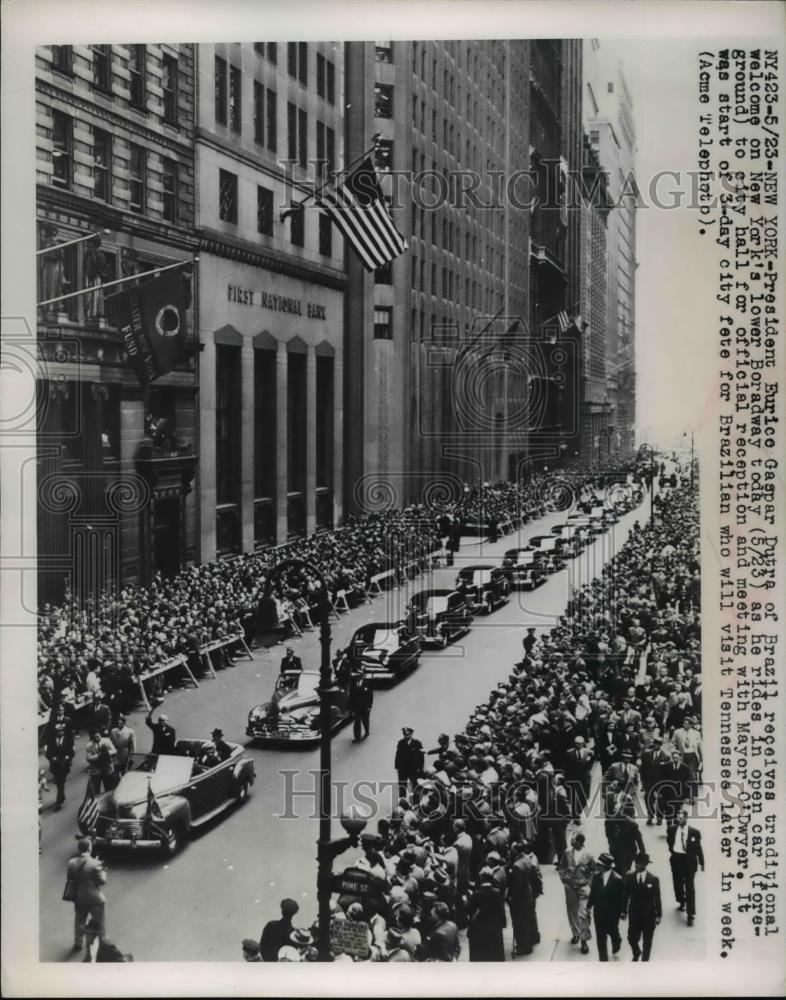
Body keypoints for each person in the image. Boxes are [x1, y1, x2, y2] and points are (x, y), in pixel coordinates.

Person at [67, 837, 107, 959]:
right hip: (95, 899)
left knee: (79, 920)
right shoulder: (96, 863)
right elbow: (102, 881)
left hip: (79, 898)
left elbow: (70, 878)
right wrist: (104, 871)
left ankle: (78, 943)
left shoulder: (72, 863)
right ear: (89, 848)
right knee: (99, 921)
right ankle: (102, 942)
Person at [557, 831, 595, 954]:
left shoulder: (588, 855)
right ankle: (575, 933)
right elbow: (561, 867)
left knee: (583, 914)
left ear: (579, 842)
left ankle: (584, 940)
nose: (571, 841)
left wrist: (589, 884)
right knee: (571, 912)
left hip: (583, 888)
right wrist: (564, 880)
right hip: (570, 887)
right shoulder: (567, 853)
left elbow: (594, 872)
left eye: (573, 840)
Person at [667, 809, 704, 925]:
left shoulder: (694, 832)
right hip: (677, 859)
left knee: (690, 888)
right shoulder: (672, 829)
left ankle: (690, 913)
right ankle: (681, 901)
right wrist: (674, 852)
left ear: (686, 818)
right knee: (677, 883)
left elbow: (698, 849)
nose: (679, 819)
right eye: (677, 817)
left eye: (681, 817)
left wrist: (702, 862)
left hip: (689, 862)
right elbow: (669, 843)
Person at [587, 852, 626, 961]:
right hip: (598, 914)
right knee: (600, 938)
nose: (596, 866)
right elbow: (593, 893)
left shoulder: (617, 880)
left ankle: (616, 940)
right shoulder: (596, 877)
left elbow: (621, 899)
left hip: (612, 915)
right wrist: (589, 906)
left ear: (605, 866)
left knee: (613, 931)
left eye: (598, 865)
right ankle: (603, 960)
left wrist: (622, 912)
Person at [623, 852, 662, 961]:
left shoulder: (653, 879)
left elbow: (657, 898)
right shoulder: (630, 877)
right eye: (636, 862)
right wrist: (623, 911)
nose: (636, 865)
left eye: (639, 863)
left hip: (648, 915)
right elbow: (626, 895)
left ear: (645, 864)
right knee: (631, 938)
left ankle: (645, 961)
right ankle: (636, 951)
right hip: (634, 914)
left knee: (647, 941)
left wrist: (659, 915)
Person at [508, 839, 543, 957]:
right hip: (529, 894)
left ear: (517, 851)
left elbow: (517, 887)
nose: (510, 851)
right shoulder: (528, 860)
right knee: (529, 918)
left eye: (512, 850)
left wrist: (513, 899)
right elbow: (534, 878)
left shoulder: (516, 866)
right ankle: (532, 938)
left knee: (520, 922)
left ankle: (524, 947)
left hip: (521, 898)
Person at [466, 868, 507, 961]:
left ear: (482, 878)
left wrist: (466, 902)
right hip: (494, 928)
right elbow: (501, 910)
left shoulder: (477, 894)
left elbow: (469, 910)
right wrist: (502, 924)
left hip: (479, 928)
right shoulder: (497, 892)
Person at [46, 717, 75, 809]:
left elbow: (72, 753)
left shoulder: (68, 741)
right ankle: (61, 797)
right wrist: (52, 758)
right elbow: (48, 753)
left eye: (61, 731)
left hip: (64, 766)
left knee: (60, 784)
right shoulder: (51, 741)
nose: (60, 733)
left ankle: (59, 800)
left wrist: (68, 757)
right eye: (58, 731)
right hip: (55, 766)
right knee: (59, 783)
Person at [394, 727, 424, 798]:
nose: (406, 736)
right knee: (402, 786)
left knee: (414, 785)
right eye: (404, 735)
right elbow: (398, 755)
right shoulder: (401, 743)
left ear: (411, 734)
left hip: (413, 769)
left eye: (408, 735)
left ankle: (414, 801)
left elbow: (421, 757)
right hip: (403, 769)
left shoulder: (417, 744)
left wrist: (420, 768)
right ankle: (402, 800)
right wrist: (397, 766)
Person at [348, 668, 374, 743]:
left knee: (365, 720)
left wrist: (369, 706)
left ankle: (366, 731)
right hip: (356, 707)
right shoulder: (353, 683)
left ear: (362, 675)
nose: (358, 676)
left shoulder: (367, 683)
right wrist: (351, 708)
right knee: (357, 722)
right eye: (357, 674)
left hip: (365, 706)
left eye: (359, 674)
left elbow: (370, 696)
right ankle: (357, 737)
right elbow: (351, 696)